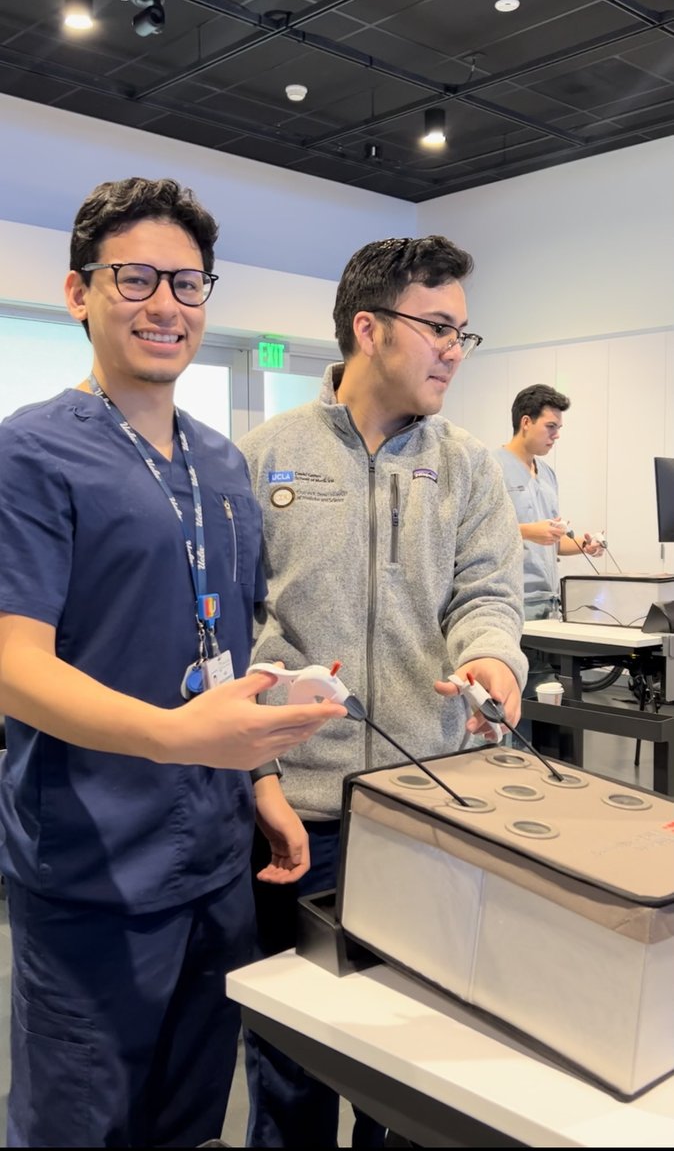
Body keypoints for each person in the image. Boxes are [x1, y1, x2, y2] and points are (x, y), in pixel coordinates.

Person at [0, 176, 346, 1149]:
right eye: (136, 279)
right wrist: (173, 736)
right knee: (81, 1123)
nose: (165, 305)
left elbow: (222, 647)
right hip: (92, 867)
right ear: (79, 293)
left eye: (187, 284)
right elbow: (12, 664)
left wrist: (263, 781)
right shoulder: (30, 455)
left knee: (189, 1117)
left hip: (213, 860)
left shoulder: (219, 461)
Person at [238, 234, 529, 1148]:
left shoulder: (471, 467)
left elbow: (489, 595)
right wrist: (263, 780)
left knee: (407, 1062)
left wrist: (493, 662)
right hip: (300, 813)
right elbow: (239, 629)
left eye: (463, 333)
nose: (454, 348)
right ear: (369, 328)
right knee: (290, 1058)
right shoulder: (262, 456)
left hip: (425, 806)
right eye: (438, 327)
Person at [493, 383, 604, 702]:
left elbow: (553, 540)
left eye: (559, 428)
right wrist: (528, 531)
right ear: (526, 422)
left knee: (550, 700)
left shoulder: (548, 474)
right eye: (550, 427)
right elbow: (475, 534)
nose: (556, 435)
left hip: (549, 605)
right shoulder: (491, 467)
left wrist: (583, 542)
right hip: (513, 603)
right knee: (515, 699)